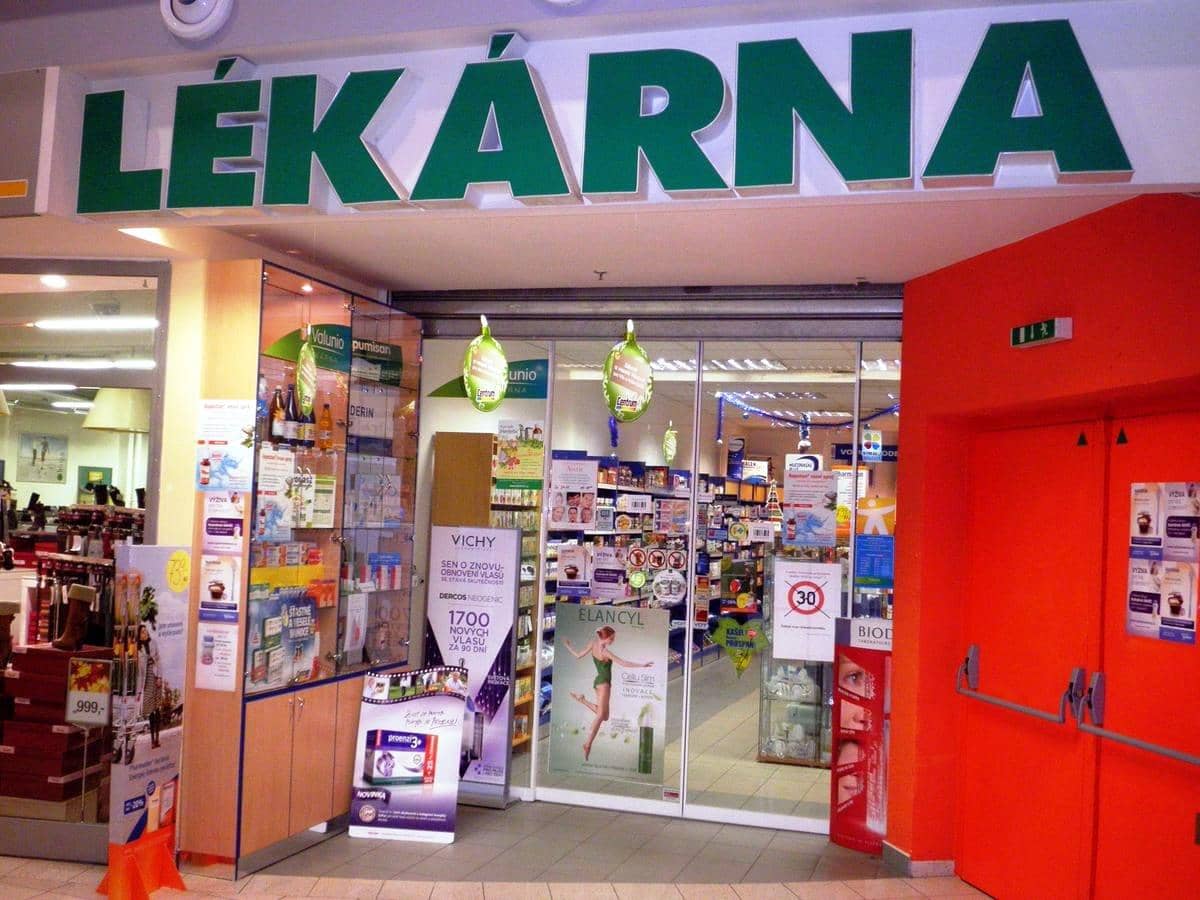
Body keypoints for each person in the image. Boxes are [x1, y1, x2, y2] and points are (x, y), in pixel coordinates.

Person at [563, 625, 652, 760]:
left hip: (598, 682)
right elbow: (623, 663)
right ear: (607, 638)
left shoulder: (593, 644)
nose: (613, 640)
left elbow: (578, 655)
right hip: (604, 684)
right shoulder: (605, 652)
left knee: (605, 716)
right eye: (612, 638)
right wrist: (642, 665)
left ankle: (582, 700)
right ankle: (587, 744)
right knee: (600, 716)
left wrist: (568, 646)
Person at [138, 624, 162, 748]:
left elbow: (159, 661)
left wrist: (159, 677)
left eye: (146, 630)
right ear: (139, 635)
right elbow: (139, 672)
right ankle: (152, 740)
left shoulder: (154, 643)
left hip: (155, 677)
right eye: (142, 631)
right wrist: (138, 691)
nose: (145, 633)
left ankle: (157, 738)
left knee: (157, 709)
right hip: (147, 680)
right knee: (151, 711)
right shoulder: (138, 650)